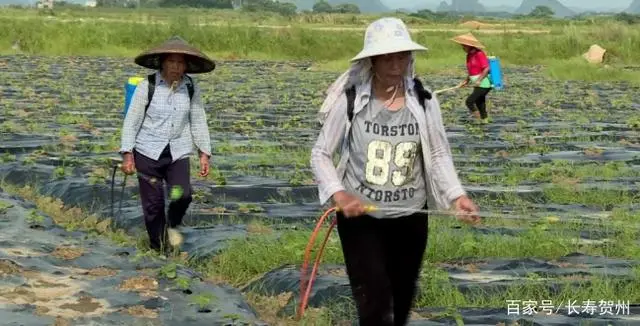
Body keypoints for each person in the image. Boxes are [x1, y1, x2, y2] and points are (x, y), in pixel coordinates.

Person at [310, 17, 481, 326]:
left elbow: (439, 154)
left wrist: (457, 197)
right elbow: (321, 153)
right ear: (372, 60)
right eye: (387, 56)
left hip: (411, 216)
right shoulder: (351, 101)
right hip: (361, 219)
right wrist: (340, 194)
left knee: (400, 303)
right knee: (374, 303)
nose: (395, 64)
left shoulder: (424, 100)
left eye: (402, 55)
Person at [119, 36, 215, 254]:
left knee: (182, 195)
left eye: (180, 63)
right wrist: (127, 154)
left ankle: (171, 225)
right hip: (147, 152)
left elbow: (198, 118)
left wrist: (204, 153)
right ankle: (159, 248)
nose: (176, 67)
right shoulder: (148, 86)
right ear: (162, 62)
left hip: (178, 151)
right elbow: (132, 121)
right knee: (153, 205)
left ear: (186, 66)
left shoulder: (190, 87)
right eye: (171, 62)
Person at [451, 33, 492, 124]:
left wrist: (479, 80)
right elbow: (471, 71)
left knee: (469, 102)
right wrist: (466, 81)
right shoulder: (469, 55)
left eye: (464, 46)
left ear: (469, 45)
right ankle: (484, 121)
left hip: (484, 83)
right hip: (477, 83)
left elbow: (486, 68)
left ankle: (478, 119)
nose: (463, 48)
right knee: (480, 103)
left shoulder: (479, 54)